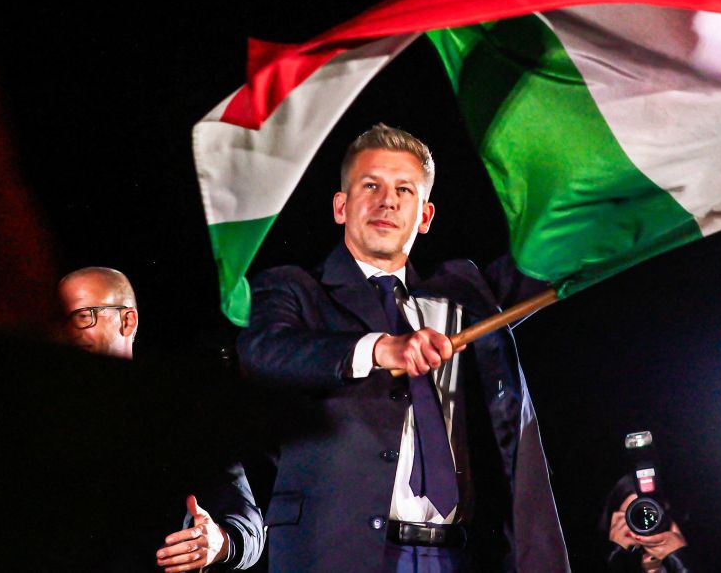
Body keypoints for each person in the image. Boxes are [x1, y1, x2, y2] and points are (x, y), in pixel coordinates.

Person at [237, 123, 570, 572]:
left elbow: (558, 254)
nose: (387, 201)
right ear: (341, 206)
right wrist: (378, 349)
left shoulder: (464, 293)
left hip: (455, 556)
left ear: (425, 216)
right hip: (335, 553)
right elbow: (264, 351)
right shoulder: (294, 289)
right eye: (370, 185)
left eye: (404, 190)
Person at [59, 267, 265, 571]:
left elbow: (247, 523)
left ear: (128, 321)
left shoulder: (182, 419)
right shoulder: (37, 421)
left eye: (83, 316)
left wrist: (219, 543)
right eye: (60, 319)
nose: (69, 332)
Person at [600, 474, 703, 573]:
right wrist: (616, 560)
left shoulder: (702, 550)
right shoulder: (613, 557)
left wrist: (681, 563)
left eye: (652, 514)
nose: (646, 528)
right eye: (636, 518)